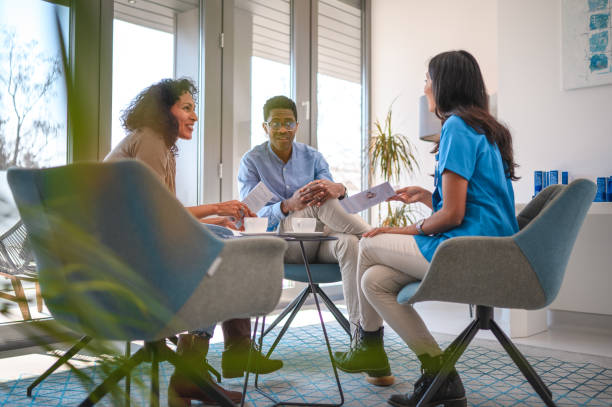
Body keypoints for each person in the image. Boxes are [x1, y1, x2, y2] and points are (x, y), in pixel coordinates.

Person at [334, 50, 519, 407]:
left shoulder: (456, 127)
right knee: (374, 282)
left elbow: (452, 216)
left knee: (369, 244)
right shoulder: (485, 129)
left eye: (428, 80)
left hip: (467, 251)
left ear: (444, 85)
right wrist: (425, 198)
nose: (425, 88)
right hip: (491, 249)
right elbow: (474, 208)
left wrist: (404, 230)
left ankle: (367, 347)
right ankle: (440, 375)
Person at [105, 78, 283, 405]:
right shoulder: (151, 140)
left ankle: (211, 360)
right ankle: (203, 364)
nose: (194, 116)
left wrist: (217, 218)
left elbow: (163, 215)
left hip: (128, 250)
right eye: (186, 108)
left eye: (193, 108)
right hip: (127, 260)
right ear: (163, 111)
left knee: (224, 236)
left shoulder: (155, 145)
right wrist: (216, 209)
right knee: (226, 246)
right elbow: (157, 216)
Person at [237, 96, 395, 386]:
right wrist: (288, 204)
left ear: (297, 125)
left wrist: (340, 187)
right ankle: (380, 240)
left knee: (349, 242)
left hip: (319, 240)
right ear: (265, 126)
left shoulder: (313, 157)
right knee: (313, 198)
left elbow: (333, 202)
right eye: (276, 124)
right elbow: (249, 213)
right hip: (281, 242)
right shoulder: (252, 161)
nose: (283, 129)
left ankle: (365, 345)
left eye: (289, 123)